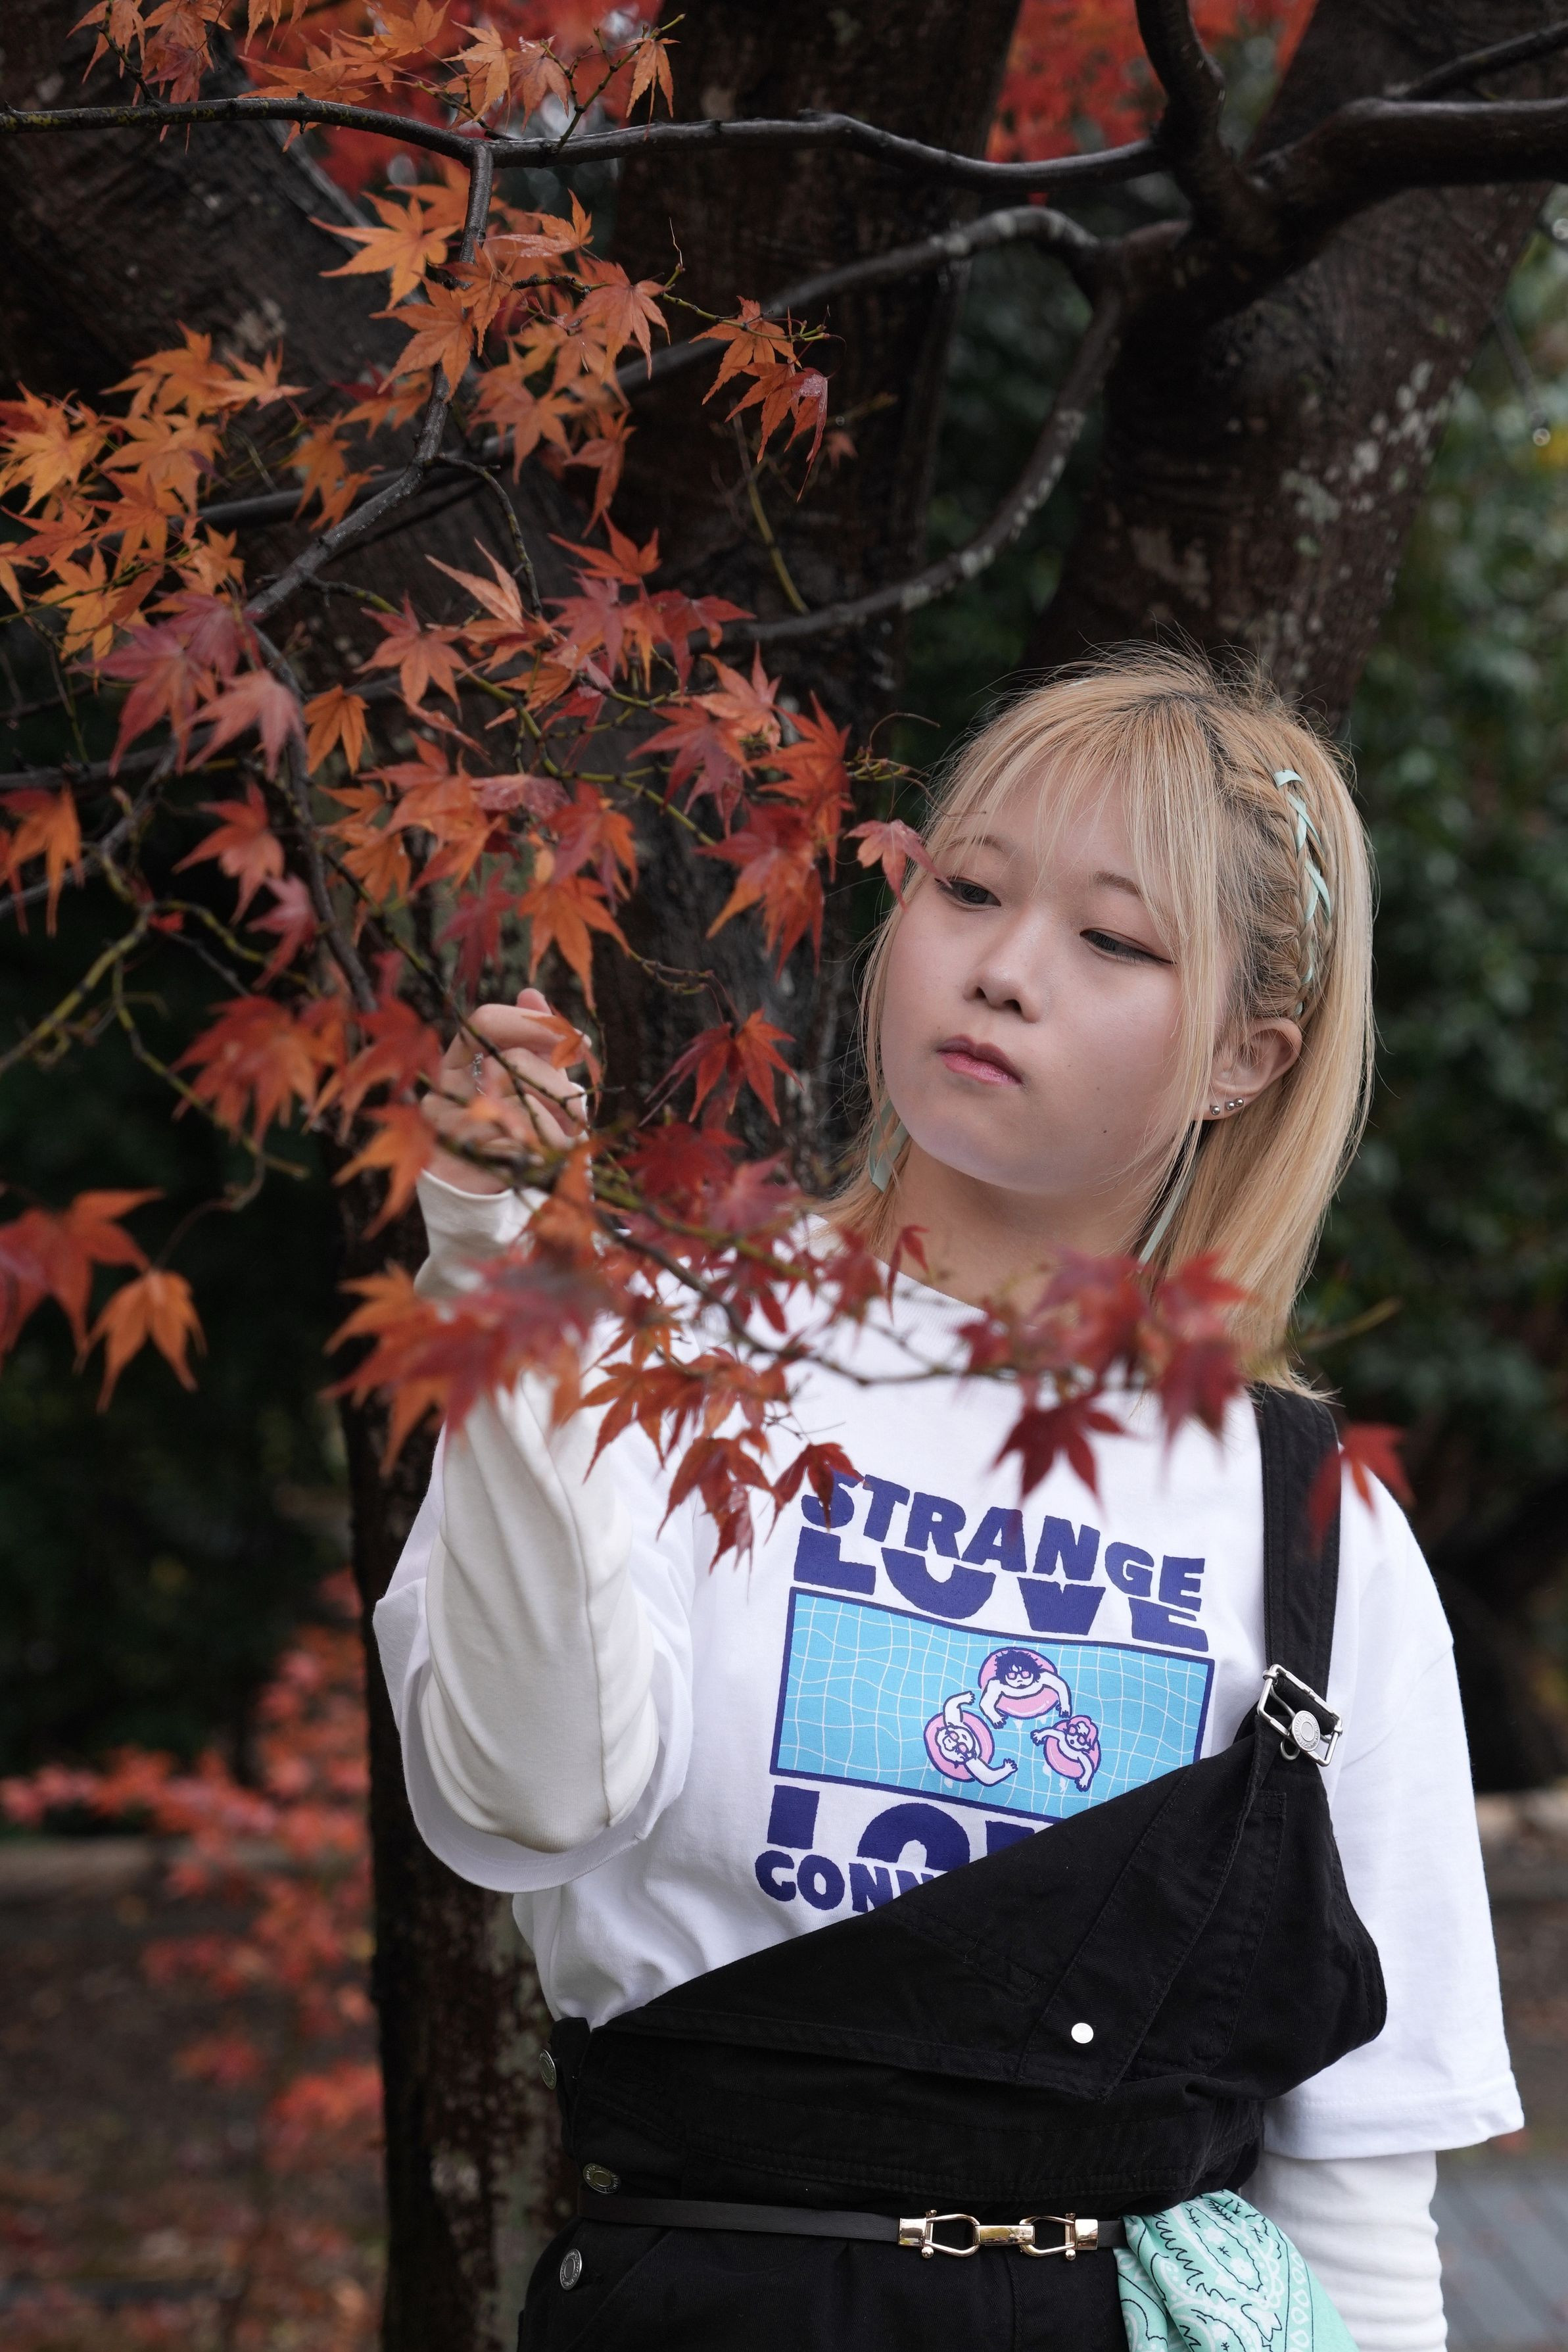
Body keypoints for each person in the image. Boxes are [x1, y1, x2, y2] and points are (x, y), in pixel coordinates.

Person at [374, 649, 1519, 2350]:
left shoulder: (1313, 1523)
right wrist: (509, 1290)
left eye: (1113, 940)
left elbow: (1356, 2179)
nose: (1001, 968)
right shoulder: (664, 1349)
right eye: (969, 889)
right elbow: (524, 1800)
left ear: (1244, 1054)